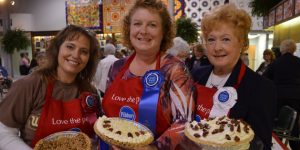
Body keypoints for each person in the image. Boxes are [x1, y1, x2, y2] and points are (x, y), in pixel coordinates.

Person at [101, 0, 194, 149]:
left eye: (152, 25)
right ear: (128, 28)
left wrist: (151, 148)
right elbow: (106, 114)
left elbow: (185, 122)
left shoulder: (174, 69)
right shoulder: (116, 68)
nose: (143, 31)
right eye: (137, 24)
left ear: (163, 32)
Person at [0, 25, 101, 149]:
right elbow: (4, 132)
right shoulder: (30, 85)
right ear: (57, 48)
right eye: (70, 47)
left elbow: (96, 135)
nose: (76, 55)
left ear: (89, 58)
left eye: (84, 51)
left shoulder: (90, 92)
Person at [191, 4, 276, 150]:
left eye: (225, 39)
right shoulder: (197, 76)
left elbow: (261, 144)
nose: (217, 47)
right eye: (211, 40)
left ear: (242, 43)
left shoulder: (261, 87)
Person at [263, 39, 300, 150]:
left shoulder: (276, 62)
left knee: (276, 122)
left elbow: (265, 78)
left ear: (281, 49)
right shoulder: (299, 62)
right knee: (293, 127)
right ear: (293, 49)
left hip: (278, 96)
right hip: (296, 97)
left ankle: (274, 144)